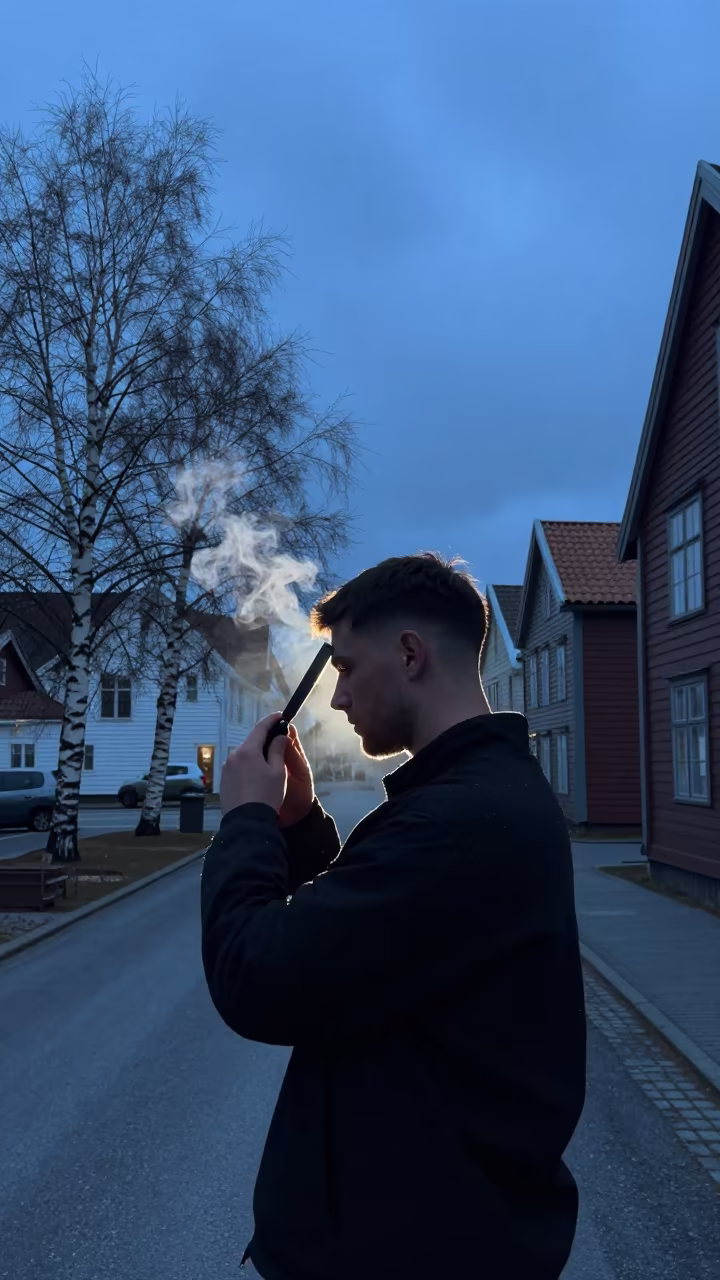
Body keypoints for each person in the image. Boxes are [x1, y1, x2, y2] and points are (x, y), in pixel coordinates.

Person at [201, 553, 587, 1280]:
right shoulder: (477, 799)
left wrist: (246, 818)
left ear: (409, 654)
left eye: (345, 668)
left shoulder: (455, 822)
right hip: (431, 1233)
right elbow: (369, 945)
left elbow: (255, 975)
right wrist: (298, 827)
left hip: (401, 1250)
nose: (338, 700)